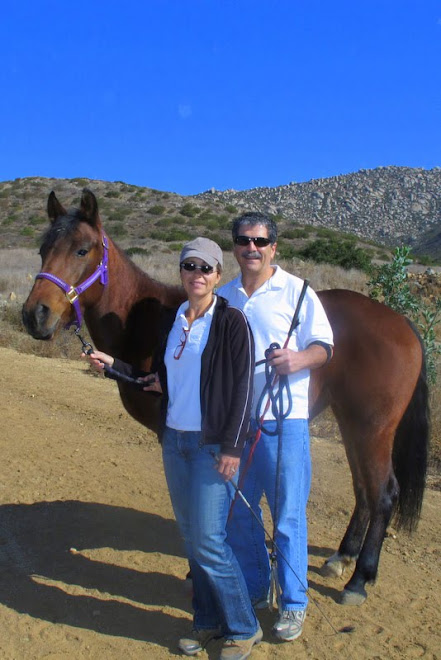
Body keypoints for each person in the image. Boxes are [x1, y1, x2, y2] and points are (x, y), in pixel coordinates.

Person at [84, 237, 263, 660]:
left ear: (218, 276)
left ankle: (243, 626)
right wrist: (114, 367)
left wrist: (232, 448)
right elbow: (160, 380)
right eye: (189, 266)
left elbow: (242, 391)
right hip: (176, 440)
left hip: (211, 446)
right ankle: (204, 623)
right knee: (192, 539)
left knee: (210, 542)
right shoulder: (175, 317)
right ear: (181, 272)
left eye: (206, 268)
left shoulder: (230, 322)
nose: (197, 274)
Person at [218, 212, 333, 643]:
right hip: (234, 424)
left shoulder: (298, 291)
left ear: (274, 248)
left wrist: (298, 360)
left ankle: (294, 603)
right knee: (241, 513)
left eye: (260, 241)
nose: (252, 248)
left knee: (287, 515)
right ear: (234, 246)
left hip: (285, 423)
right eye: (244, 241)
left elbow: (324, 346)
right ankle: (255, 586)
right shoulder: (224, 296)